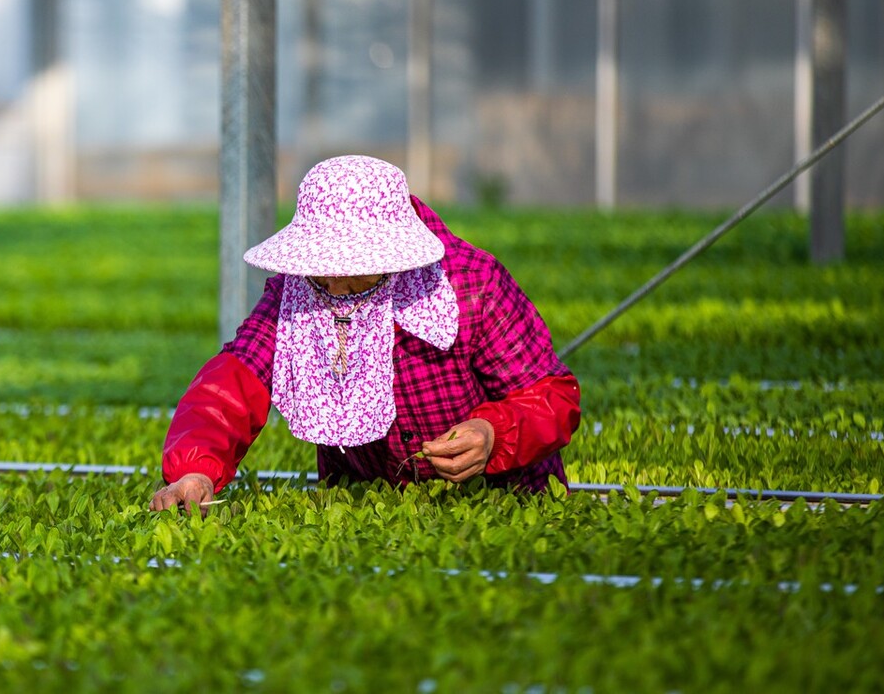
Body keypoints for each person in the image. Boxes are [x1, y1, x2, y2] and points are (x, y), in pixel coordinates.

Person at [150, 155, 580, 514]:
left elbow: (553, 397)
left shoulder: (470, 284)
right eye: (323, 270)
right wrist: (196, 468)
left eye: (354, 270)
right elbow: (235, 382)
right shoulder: (297, 288)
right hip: (370, 508)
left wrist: (492, 433)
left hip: (503, 503)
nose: (335, 285)